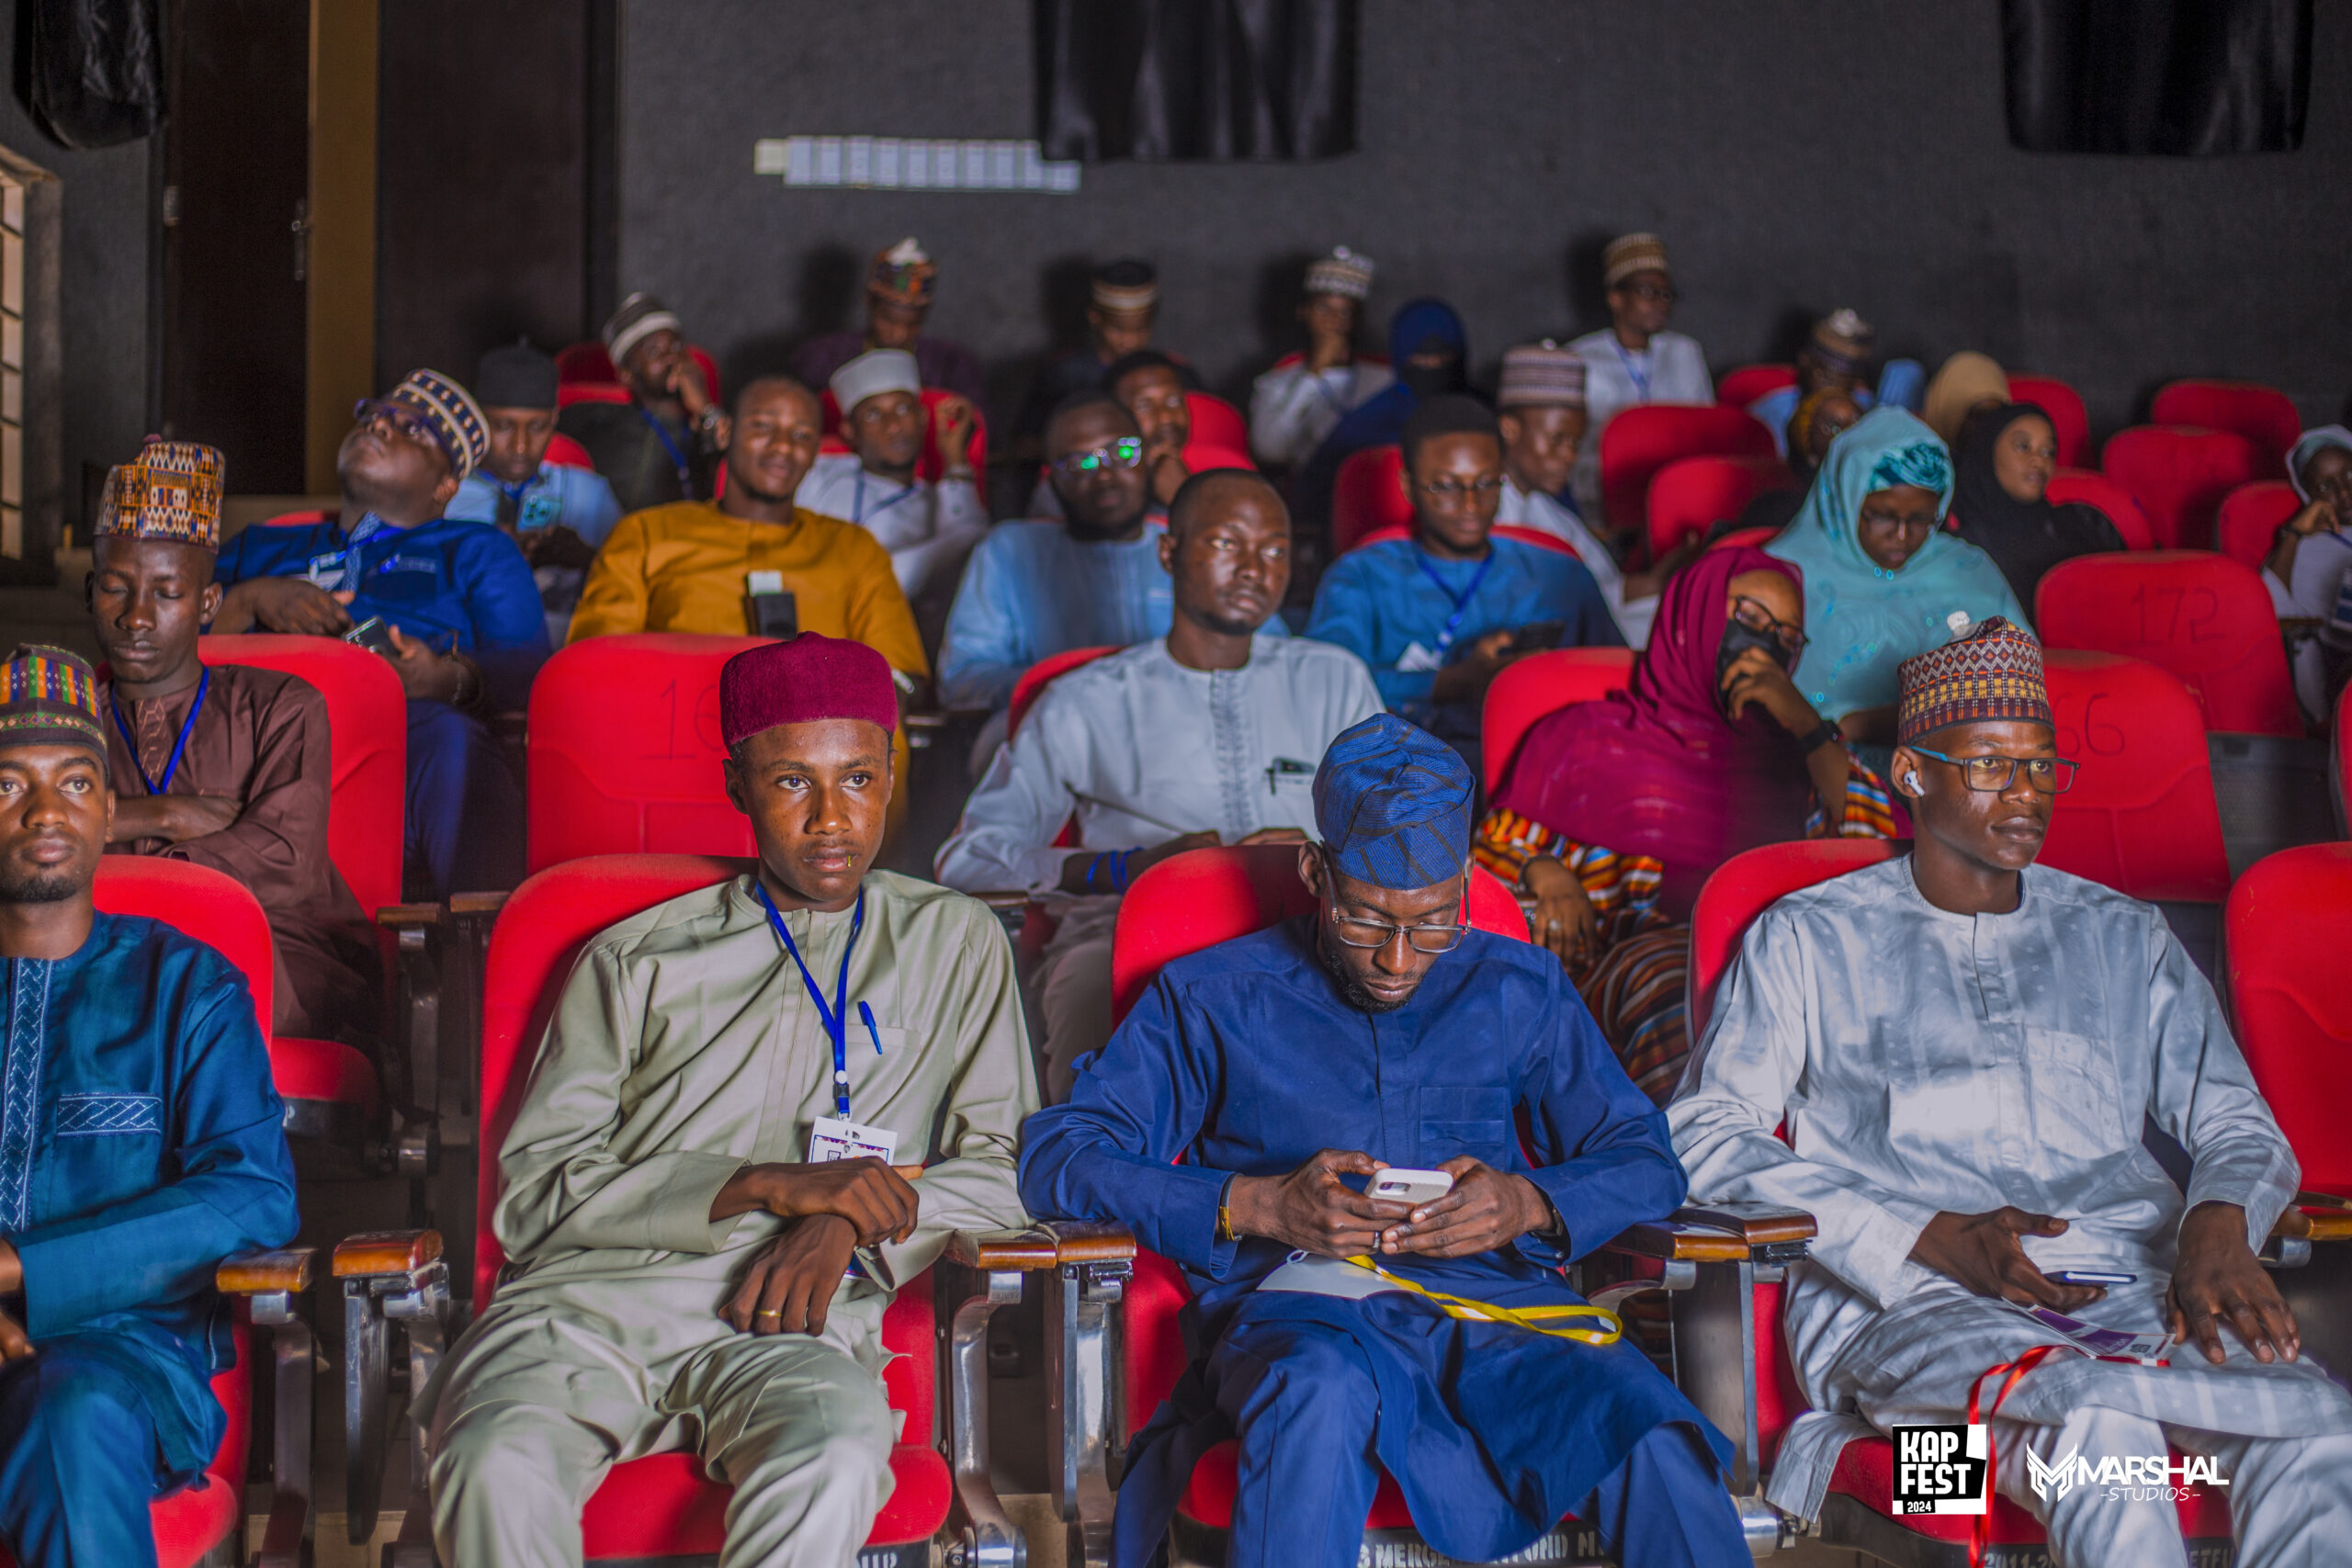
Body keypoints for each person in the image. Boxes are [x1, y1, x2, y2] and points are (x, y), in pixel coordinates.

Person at [1670, 619, 2352, 1566]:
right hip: (1900, 1332)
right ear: (1911, 773)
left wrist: (2217, 1223)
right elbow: (1704, 1132)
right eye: (1990, 766)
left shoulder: (2123, 936)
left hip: (2131, 1294)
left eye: (2040, 768)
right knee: (2099, 1431)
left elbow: (2235, 1122)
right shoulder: (1809, 938)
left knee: (2322, 1430)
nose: (2025, 794)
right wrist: (1919, 1232)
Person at [1019, 713, 1747, 1568]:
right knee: (1317, 1396)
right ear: (1315, 871)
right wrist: (1257, 1204)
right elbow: (1059, 1156)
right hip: (1299, 1316)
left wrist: (1530, 1201)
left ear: (1467, 883)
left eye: (1434, 922)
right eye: (1365, 919)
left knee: (1649, 1428)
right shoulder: (1215, 996)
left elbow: (1647, 1157)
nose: (1399, 959)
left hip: (1496, 1310)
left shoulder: (1519, 988)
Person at [419, 633, 1035, 1568]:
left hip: (796, 1319)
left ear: (891, 773)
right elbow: (535, 1192)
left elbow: (1004, 1173)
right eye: (792, 782)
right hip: (589, 1308)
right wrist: (761, 1185)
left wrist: (847, 1225)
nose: (832, 818)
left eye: (859, 778)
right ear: (737, 783)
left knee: (831, 1460)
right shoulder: (635, 958)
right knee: (494, 1459)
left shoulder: (955, 942)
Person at [936, 470, 1382, 1098]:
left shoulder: (1334, 680)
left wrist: (1316, 857)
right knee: (1096, 1021)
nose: (1256, 567)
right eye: (1228, 543)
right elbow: (968, 859)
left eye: (1275, 549)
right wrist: (1133, 867)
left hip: (1312, 936)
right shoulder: (1086, 700)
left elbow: (1395, 832)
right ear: (1168, 553)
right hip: (1126, 932)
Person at [0, 644, 300, 1568]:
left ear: (106, 808)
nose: (46, 813)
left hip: (118, 1357)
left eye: (76, 782)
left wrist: (19, 1270)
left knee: (71, 1417)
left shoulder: (187, 986)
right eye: (7, 785)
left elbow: (251, 1199)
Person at [1472, 547, 1900, 1101]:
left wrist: (1804, 722)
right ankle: (1693, 1176)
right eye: (1748, 619)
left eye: (1786, 639)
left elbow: (1873, 854)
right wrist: (1544, 868)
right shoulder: (1584, 735)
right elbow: (1487, 858)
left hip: (1772, 971)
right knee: (1671, 978)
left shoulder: (1798, 761)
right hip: (1626, 968)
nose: (1765, 647)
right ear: (1693, 616)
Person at [210, 369, 546, 899]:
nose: (381, 427)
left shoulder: (474, 549)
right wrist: (251, 599)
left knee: (454, 745)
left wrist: (443, 680)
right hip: (248, 734)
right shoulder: (261, 547)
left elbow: (525, 671)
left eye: (412, 430)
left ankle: (485, 952)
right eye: (375, 416)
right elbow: (162, 637)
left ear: (445, 486)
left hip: (403, 735)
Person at [86, 440, 379, 1039]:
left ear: (208, 602)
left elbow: (286, 863)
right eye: (116, 588)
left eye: (167, 594)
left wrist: (104, 832)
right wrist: (168, 814)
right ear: (90, 590)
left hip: (273, 959)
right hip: (106, 955)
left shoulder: (283, 706)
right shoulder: (67, 713)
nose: (136, 617)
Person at [1306, 396, 1620, 769]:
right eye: (1446, 487)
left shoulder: (1561, 574)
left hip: (1541, 764)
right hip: (1399, 777)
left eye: (1487, 483)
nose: (1471, 504)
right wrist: (1449, 683)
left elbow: (1618, 680)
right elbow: (1322, 687)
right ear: (1408, 486)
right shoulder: (1360, 576)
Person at [567, 376, 927, 695]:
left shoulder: (854, 549)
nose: (783, 446)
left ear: (816, 451)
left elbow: (902, 675)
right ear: (725, 433)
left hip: (821, 753)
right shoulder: (646, 535)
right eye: (763, 427)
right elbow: (595, 661)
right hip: (673, 742)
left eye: (801, 435)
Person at [942, 392, 1280, 716]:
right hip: (1059, 730)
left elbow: (1274, 654)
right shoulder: (1010, 550)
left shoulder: (1195, 545)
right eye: (1079, 463)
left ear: (1148, 455)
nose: (1104, 475)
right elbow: (961, 680)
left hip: (1197, 726)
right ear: (1052, 480)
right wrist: (1074, 686)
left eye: (1122, 452)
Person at [1764, 406, 2023, 758]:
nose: (1901, 536)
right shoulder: (1781, 573)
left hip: (1947, 773)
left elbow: (2017, 690)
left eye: (1921, 519)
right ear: (1846, 499)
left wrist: (1862, 723)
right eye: (1882, 516)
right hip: (1804, 769)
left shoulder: (1966, 569)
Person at [1492, 341, 1688, 648]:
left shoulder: (1551, 513)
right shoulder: (1482, 512)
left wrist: (1659, 580)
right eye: (1557, 440)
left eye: (1575, 443)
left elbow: (1602, 590)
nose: (1569, 456)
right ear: (1509, 430)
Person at [446, 343, 625, 644]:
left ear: (554, 419)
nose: (520, 445)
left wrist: (587, 558)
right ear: (476, 421)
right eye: (503, 426)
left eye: (537, 427)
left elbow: (631, 587)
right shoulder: (444, 495)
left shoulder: (588, 495)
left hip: (569, 653)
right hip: (466, 653)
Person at [794, 348, 987, 626]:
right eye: (874, 415)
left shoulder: (938, 499)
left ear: (922, 418)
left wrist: (955, 459)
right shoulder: (821, 471)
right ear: (850, 430)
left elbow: (972, 552)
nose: (894, 425)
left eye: (904, 409)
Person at [1293, 296, 1469, 545]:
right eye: (1420, 359)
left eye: (1444, 358)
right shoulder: (1367, 423)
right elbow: (1312, 492)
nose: (1433, 366)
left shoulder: (1485, 413)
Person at [1569, 234, 1713, 524]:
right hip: (1604, 495)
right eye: (1647, 291)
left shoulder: (1685, 352)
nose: (1660, 303)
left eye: (1666, 294)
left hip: (1677, 488)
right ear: (1616, 298)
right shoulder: (1579, 358)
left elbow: (1708, 427)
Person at [559, 292, 726, 514]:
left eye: (677, 348)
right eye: (654, 352)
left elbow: (733, 488)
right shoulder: (599, 423)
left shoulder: (704, 426)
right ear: (627, 375)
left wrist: (706, 409)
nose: (672, 358)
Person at [1950, 402, 2123, 613]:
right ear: (1988, 450)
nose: (2038, 461)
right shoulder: (1956, 540)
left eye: (2048, 452)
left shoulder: (2083, 526)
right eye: (2023, 446)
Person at [787, 238, 987, 408]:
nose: (899, 334)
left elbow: (981, 436)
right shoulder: (819, 357)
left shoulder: (951, 365)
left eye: (913, 324)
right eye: (887, 320)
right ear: (868, 302)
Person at [1014, 259, 1188, 450]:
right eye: (1118, 330)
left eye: (1141, 330)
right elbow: (1027, 441)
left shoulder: (1176, 372)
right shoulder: (1063, 376)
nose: (1130, 341)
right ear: (1094, 317)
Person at [1248, 246, 1391, 469]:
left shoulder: (1382, 379)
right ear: (1303, 312)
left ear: (1358, 319)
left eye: (1345, 312)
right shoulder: (1278, 381)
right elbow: (1270, 449)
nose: (1333, 320)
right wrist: (1313, 375)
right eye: (1323, 308)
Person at [1025, 348, 1203, 519]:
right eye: (1144, 406)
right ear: (1114, 416)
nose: (1165, 417)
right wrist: (1181, 502)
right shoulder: (1075, 477)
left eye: (1173, 400)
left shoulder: (1215, 464)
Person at [1745, 310, 1927, 457]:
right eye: (1825, 376)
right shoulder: (1768, 414)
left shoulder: (1871, 410)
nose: (1832, 390)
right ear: (1804, 362)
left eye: (1847, 381)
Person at [2263, 425, 2352, 722]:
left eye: (2350, 475)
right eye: (2326, 487)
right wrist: (2294, 534)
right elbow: (2276, 610)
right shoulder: (2311, 551)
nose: (2344, 492)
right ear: (2309, 496)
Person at [1735, 386, 1862, 537]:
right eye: (1833, 428)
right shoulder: (1776, 512)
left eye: (1857, 422)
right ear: (1807, 445)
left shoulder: (1878, 496)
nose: (1850, 434)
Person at [1919, 349, 2010, 448]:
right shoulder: (1910, 457)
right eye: (1979, 417)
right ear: (1949, 415)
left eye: (1995, 416)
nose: (1987, 427)